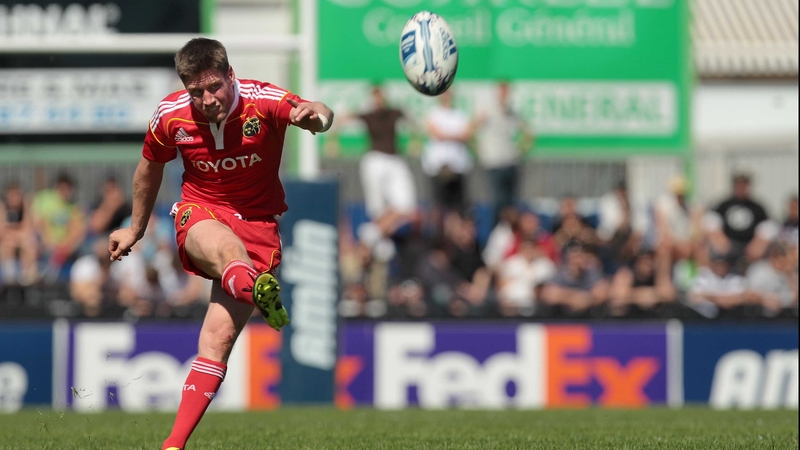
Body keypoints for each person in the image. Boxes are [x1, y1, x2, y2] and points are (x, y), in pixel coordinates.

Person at [106, 38, 333, 450]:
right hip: (202, 212)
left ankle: (174, 442)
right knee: (226, 247)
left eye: (214, 88)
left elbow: (317, 111)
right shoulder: (170, 115)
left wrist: (317, 118)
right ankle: (255, 288)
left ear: (231, 76)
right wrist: (135, 229)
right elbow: (149, 170)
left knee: (217, 340)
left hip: (259, 225)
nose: (207, 99)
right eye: (196, 92)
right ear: (185, 87)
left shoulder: (262, 100)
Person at [473, 80, 533, 223]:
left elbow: (528, 132)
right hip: (494, 162)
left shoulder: (512, 111)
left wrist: (520, 150)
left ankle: (509, 235)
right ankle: (496, 235)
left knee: (511, 203)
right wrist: (480, 150)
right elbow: (472, 129)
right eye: (503, 91)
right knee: (497, 203)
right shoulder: (487, 110)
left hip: (510, 161)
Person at [421, 89, 474, 228]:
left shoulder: (460, 115)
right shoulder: (433, 114)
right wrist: (456, 136)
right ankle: (439, 239)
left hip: (458, 167)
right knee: (438, 206)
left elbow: (466, 134)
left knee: (458, 208)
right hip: (437, 168)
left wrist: (447, 136)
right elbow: (436, 133)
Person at [0, 182, 38, 286]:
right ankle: (9, 280)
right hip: (7, 243)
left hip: (21, 242)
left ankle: (28, 279)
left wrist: (26, 207)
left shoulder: (25, 209)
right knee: (6, 246)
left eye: (17, 195)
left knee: (28, 245)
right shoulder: (2, 208)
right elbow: (2, 231)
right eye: (11, 195)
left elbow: (29, 229)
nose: (14, 198)